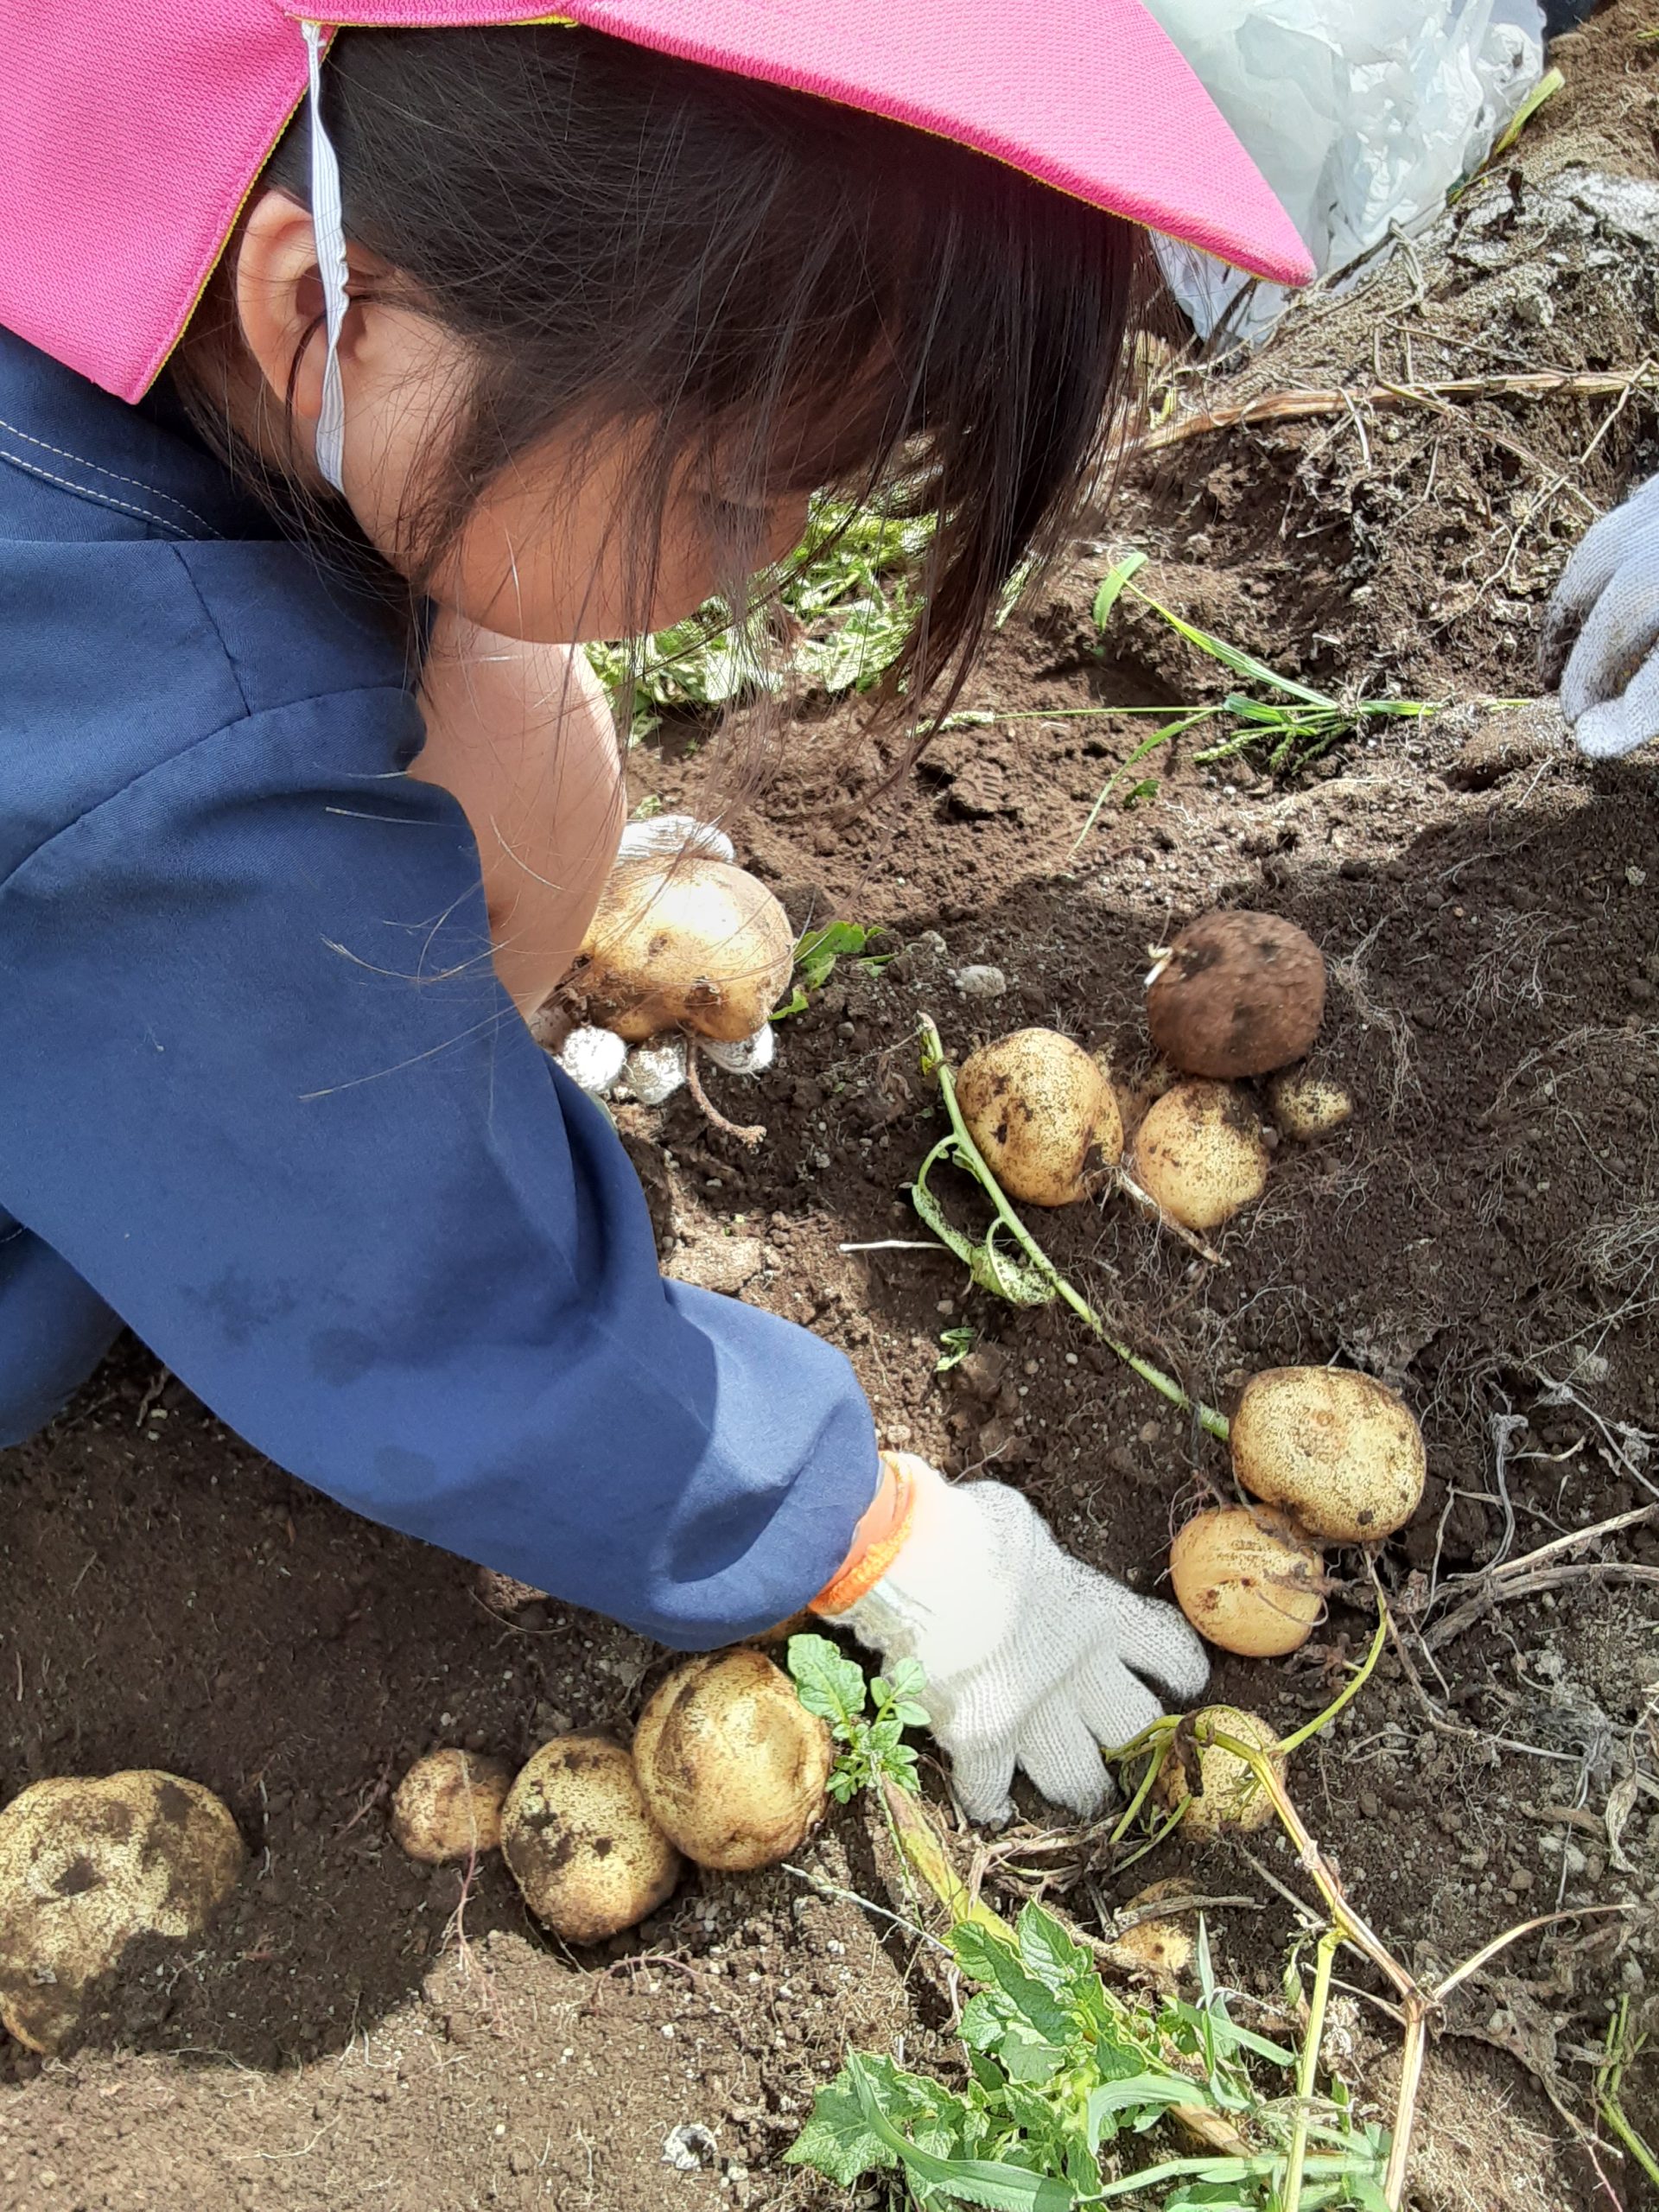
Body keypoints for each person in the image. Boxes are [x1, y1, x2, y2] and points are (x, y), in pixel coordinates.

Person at [0, 3, 1319, 1827]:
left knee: (508, 720)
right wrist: (863, 1534)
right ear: (318, 308)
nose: (773, 542)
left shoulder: (130, 118)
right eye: (727, 484)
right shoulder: (149, 760)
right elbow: (426, 1303)